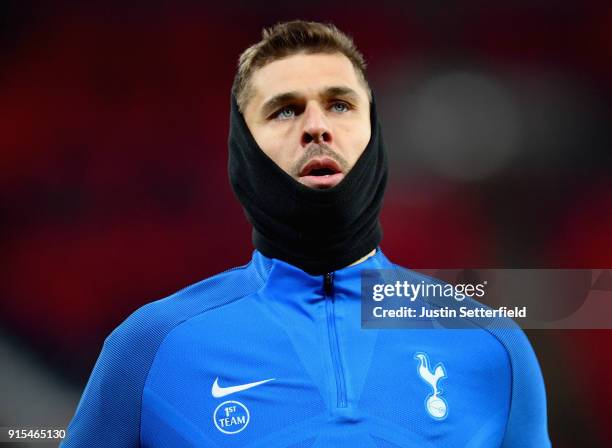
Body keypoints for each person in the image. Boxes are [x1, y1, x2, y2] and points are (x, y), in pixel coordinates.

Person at [62, 20, 551, 447]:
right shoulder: (149, 347)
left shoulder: (491, 347)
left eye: (340, 105)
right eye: (285, 110)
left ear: (373, 131)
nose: (316, 126)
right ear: (243, 148)